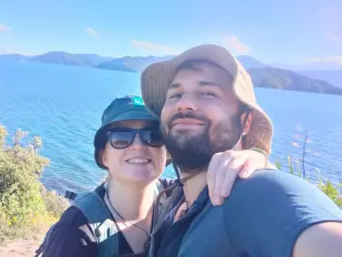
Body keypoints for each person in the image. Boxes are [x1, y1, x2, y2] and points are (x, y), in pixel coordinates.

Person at [140, 44, 342, 257]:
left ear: (245, 122)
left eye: (208, 93)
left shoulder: (257, 190)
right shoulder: (176, 201)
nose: (184, 103)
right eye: (175, 94)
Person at [36, 94, 274, 257]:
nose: (138, 145)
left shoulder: (181, 198)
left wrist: (256, 158)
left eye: (153, 135)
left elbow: (239, 181)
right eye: (121, 137)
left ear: (167, 150)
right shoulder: (78, 231)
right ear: (103, 156)